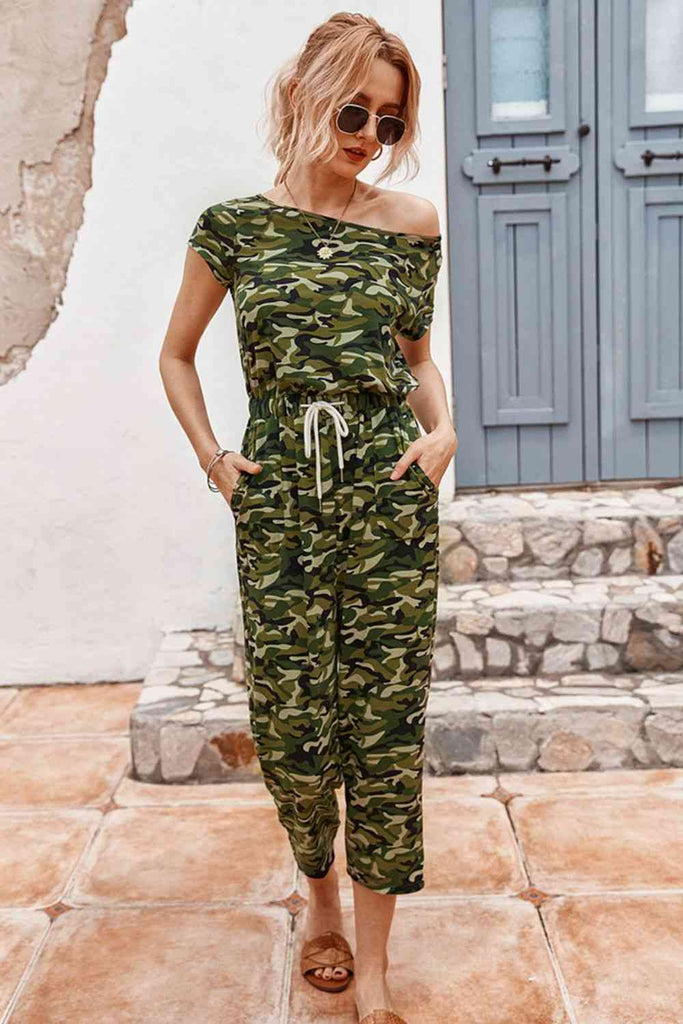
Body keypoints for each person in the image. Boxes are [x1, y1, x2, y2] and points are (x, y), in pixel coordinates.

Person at [159, 12, 457, 1024]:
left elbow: (415, 361)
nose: (368, 134)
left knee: (383, 731)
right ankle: (318, 901)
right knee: (291, 729)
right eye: (352, 111)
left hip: (386, 502)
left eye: (388, 120)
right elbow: (175, 355)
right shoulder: (233, 229)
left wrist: (444, 432)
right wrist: (216, 461)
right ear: (303, 96)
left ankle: (372, 966)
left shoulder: (410, 223)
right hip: (281, 502)